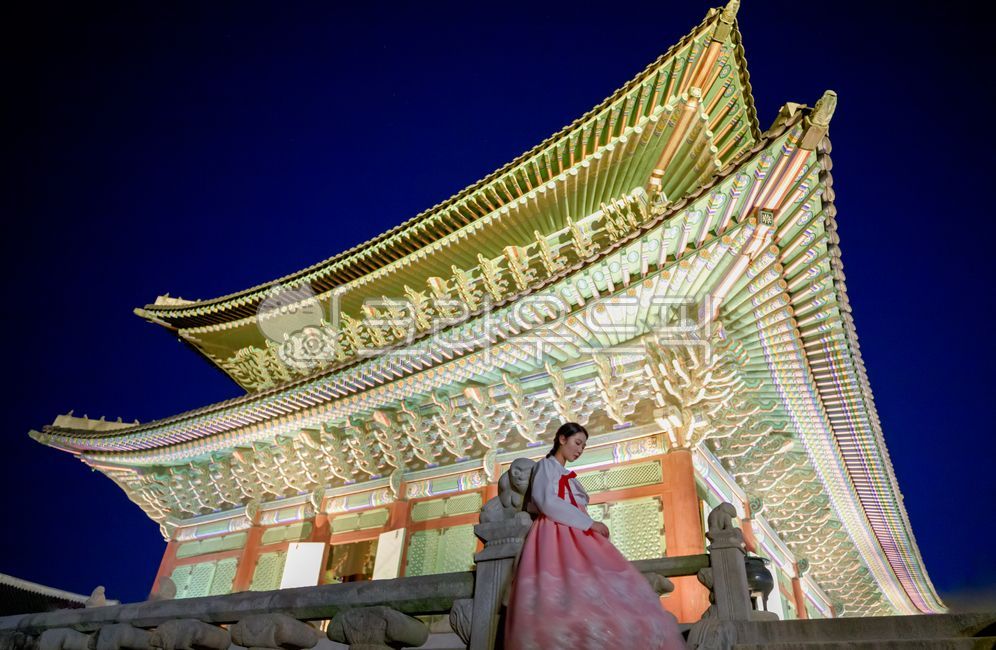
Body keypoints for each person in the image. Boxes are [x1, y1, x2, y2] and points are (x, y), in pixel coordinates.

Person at [504, 422, 686, 650]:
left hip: (575, 529)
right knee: (558, 587)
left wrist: (587, 524)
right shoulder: (546, 467)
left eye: (583, 446)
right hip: (554, 530)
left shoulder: (569, 477)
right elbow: (546, 501)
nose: (579, 450)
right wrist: (589, 523)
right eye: (577, 443)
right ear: (562, 439)